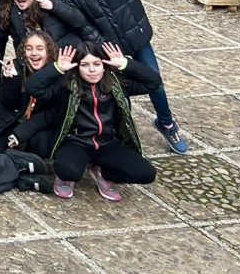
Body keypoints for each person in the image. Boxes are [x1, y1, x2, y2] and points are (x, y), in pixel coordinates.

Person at [59, 0, 187, 154]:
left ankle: (166, 123)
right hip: (110, 48)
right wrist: (103, 45)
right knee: (119, 90)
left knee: (154, 80)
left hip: (137, 36)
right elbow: (82, 24)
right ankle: (123, 134)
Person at [27, 41, 163, 201]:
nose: (91, 70)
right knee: (69, 171)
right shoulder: (67, 85)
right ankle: (65, 177)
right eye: (85, 65)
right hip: (76, 142)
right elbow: (33, 87)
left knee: (147, 173)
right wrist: (58, 68)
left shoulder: (116, 83)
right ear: (77, 67)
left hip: (107, 143)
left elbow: (154, 82)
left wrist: (126, 64)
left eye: (96, 64)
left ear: (104, 65)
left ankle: (103, 173)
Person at [0, 30, 63, 160]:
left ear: (49, 51)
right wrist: (11, 81)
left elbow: (50, 113)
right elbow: (7, 103)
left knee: (40, 147)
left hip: (36, 126)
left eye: (39, 48)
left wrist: (21, 133)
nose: (34, 53)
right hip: (9, 121)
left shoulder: (56, 74)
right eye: (29, 49)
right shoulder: (15, 67)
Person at [0, 0, 89, 58]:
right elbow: (19, 46)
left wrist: (53, 6)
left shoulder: (50, 4)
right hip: (44, 63)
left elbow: (79, 21)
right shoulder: (13, 15)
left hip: (69, 56)